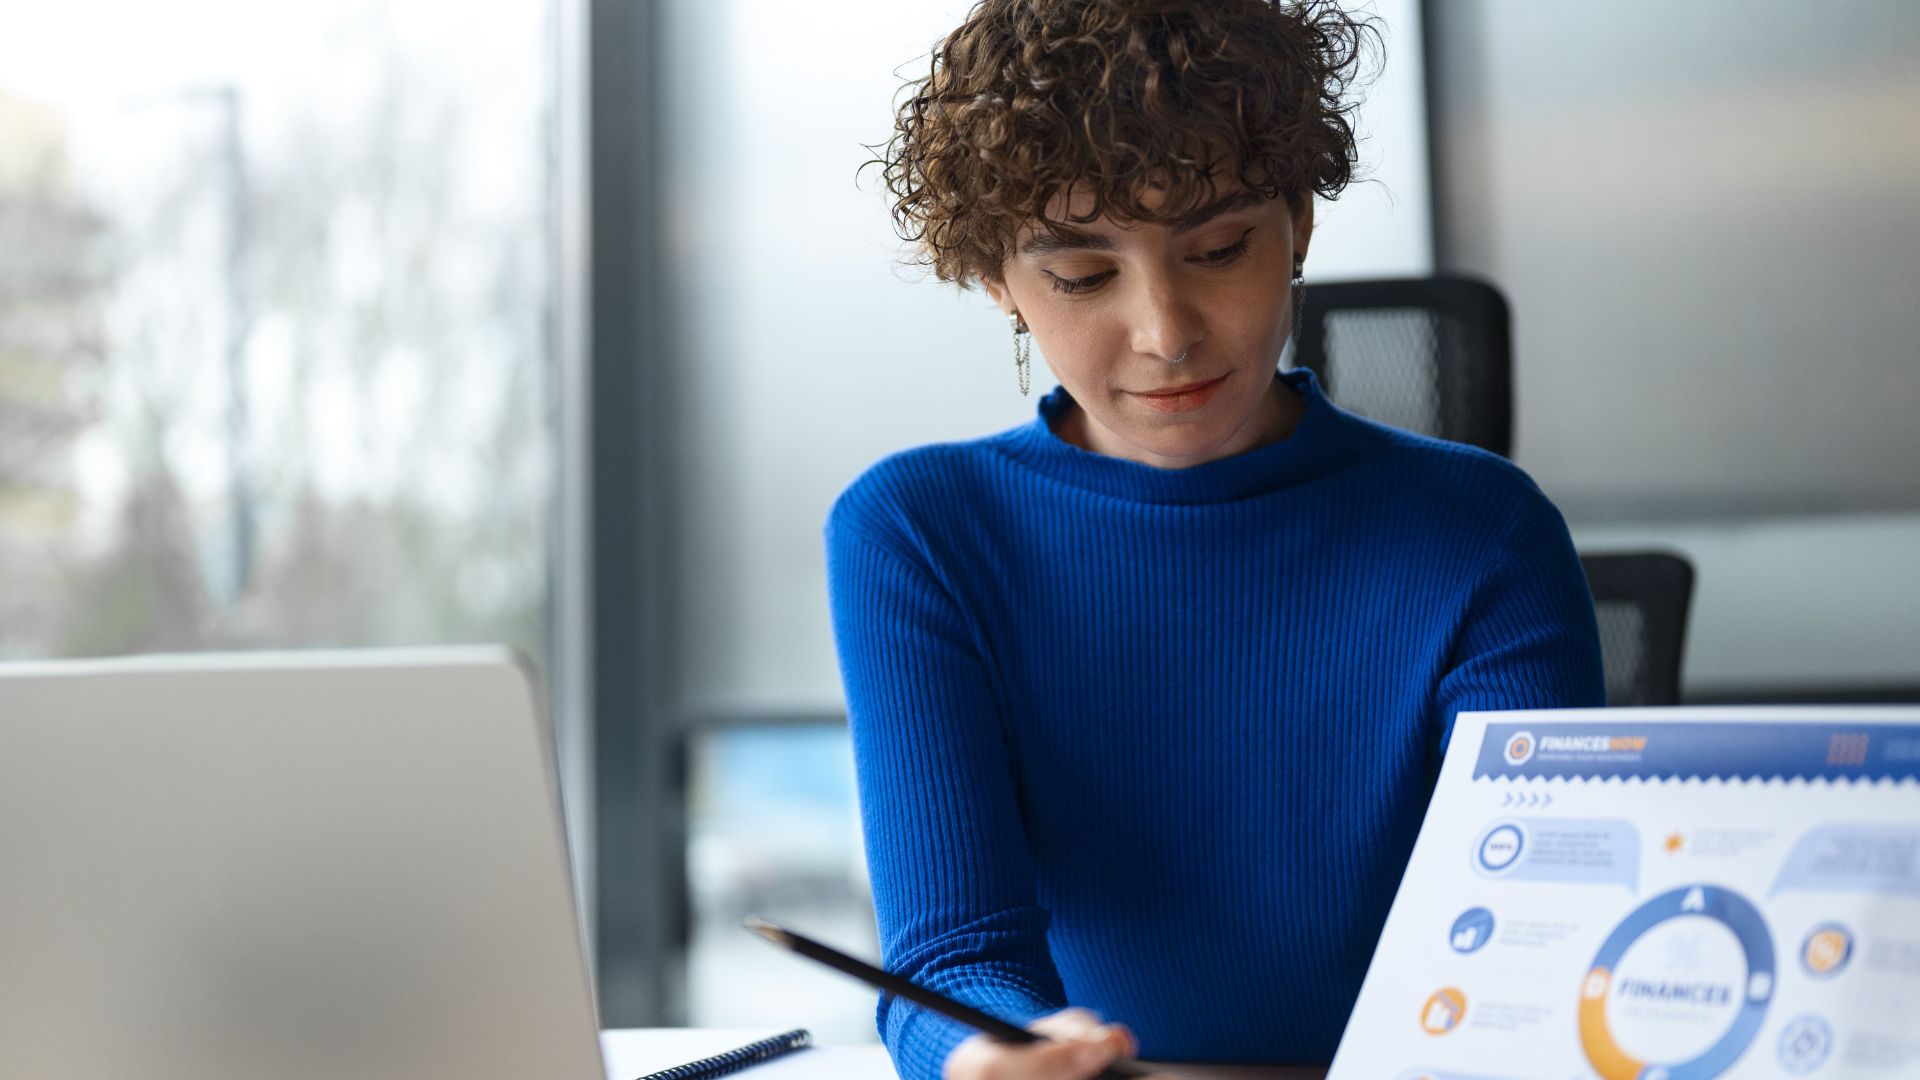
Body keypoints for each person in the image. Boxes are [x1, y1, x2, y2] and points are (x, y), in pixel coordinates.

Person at [825, 2, 1605, 1078]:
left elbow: (1538, 945)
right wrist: (991, 1056)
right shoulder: (920, 533)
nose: (1166, 332)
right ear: (997, 280)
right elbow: (953, 957)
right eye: (1082, 275)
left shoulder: (1485, 535)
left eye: (1221, 247)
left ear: (1299, 221)